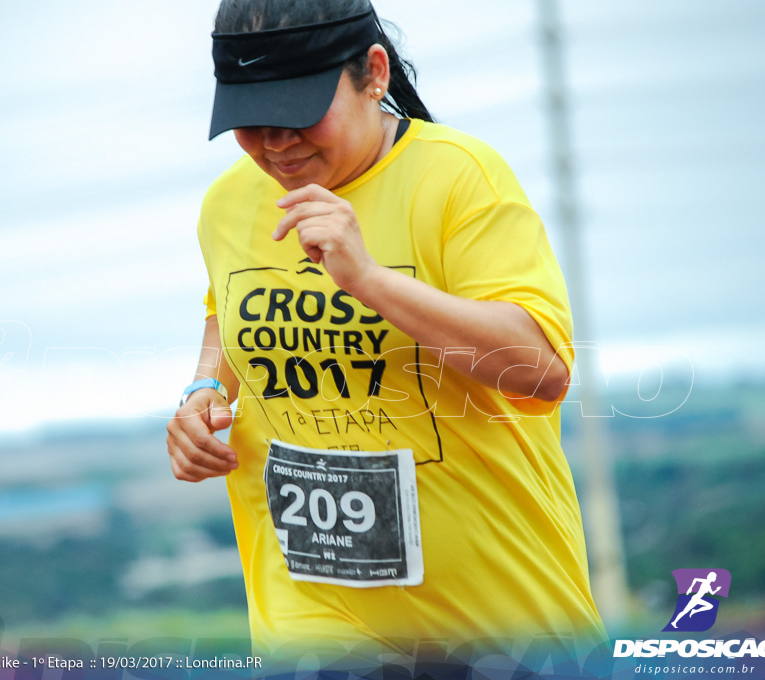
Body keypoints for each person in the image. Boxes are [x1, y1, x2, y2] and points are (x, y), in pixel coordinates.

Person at [166, 0, 606, 666]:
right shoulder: (229, 203)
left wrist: (369, 280)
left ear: (374, 73)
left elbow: (540, 369)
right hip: (311, 623)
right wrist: (202, 388)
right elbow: (227, 308)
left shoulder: (459, 177)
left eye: (298, 112)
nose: (276, 144)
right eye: (250, 123)